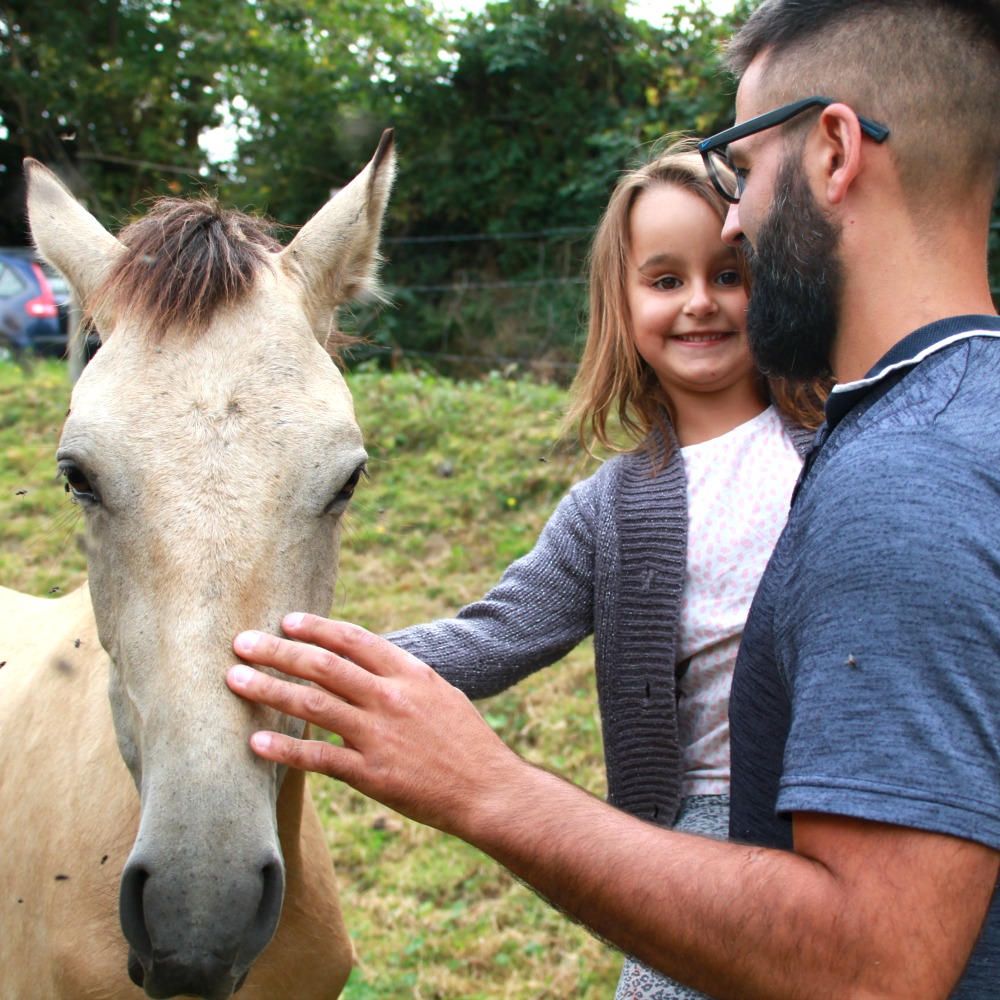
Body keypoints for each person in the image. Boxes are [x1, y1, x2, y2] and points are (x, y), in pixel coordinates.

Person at [227, 1, 1000, 995]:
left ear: (835, 150)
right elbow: (498, 628)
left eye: (744, 168)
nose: (734, 224)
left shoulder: (894, 483)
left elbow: (870, 962)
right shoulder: (946, 435)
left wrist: (490, 788)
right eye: (664, 276)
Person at [381, 141, 823, 1000]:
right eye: (665, 281)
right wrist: (307, 663)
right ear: (620, 306)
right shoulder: (609, 509)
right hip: (698, 832)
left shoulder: (848, 444)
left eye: (729, 274)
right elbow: (494, 634)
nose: (700, 302)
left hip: (851, 805)